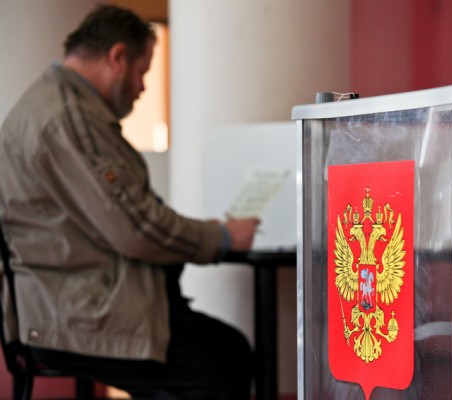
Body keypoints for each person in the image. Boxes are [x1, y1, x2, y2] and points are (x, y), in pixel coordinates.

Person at [0, 5, 260, 399]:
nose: (142, 87)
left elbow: (126, 213)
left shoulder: (59, 105)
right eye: (143, 72)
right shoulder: (70, 118)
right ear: (118, 56)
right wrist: (221, 238)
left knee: (231, 349)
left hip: (77, 301)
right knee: (211, 375)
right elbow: (135, 229)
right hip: (72, 315)